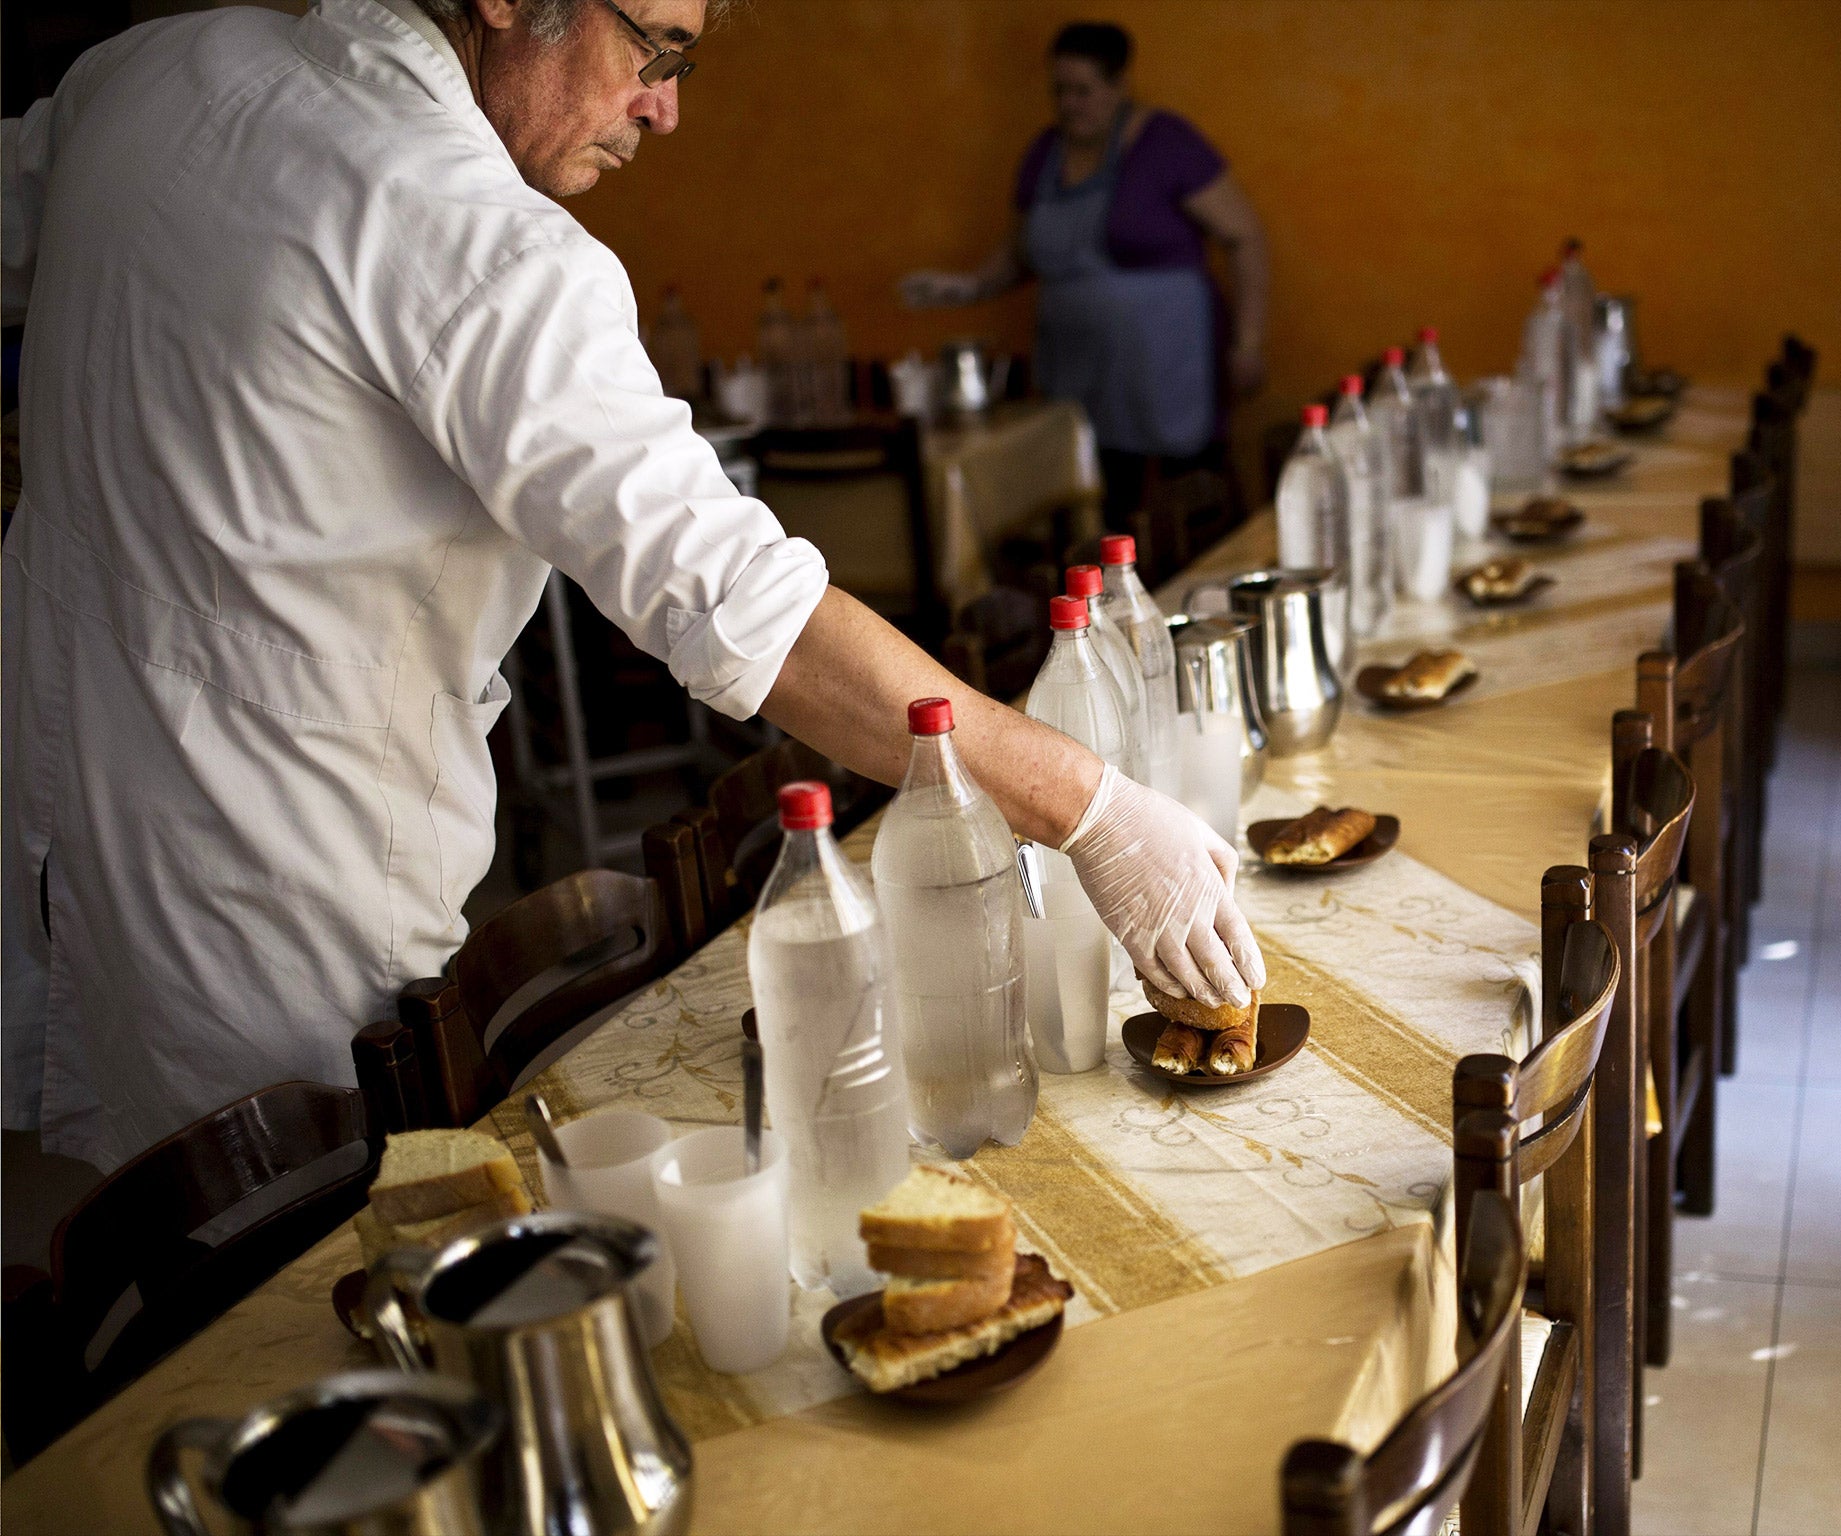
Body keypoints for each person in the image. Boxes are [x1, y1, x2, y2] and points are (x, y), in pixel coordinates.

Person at [0, 0, 1264, 1172]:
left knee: (142, 1249)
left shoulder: (149, 73)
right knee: (295, 1277)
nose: (665, 108)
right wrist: (1091, 810)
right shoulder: (472, 239)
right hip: (272, 870)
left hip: (58, 794)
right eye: (653, 48)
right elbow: (747, 615)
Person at [901, 20, 1269, 525]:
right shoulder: (1043, 154)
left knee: (1187, 501)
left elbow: (1244, 238)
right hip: (1077, 371)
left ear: (1120, 85)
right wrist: (966, 286)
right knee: (1098, 508)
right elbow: (1023, 253)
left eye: (1083, 90)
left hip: (1167, 370)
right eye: (1059, 90)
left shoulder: (1167, 143)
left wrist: (1247, 342)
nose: (1069, 104)